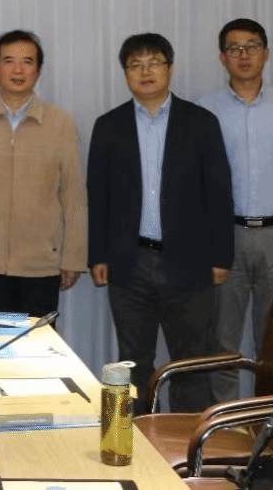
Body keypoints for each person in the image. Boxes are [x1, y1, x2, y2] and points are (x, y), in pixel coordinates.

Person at [87, 33, 233, 413]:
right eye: (135, 65)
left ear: (170, 68)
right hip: (129, 263)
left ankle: (188, 444)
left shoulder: (201, 123)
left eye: (154, 63)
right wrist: (97, 254)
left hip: (190, 262)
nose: (145, 71)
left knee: (190, 363)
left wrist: (222, 257)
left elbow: (219, 193)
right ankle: (128, 439)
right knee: (131, 361)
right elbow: (98, 196)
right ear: (125, 74)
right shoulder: (109, 126)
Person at [198, 19, 273, 402]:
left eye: (252, 46)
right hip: (224, 237)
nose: (244, 55)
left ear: (266, 53)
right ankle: (226, 426)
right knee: (223, 340)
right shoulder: (206, 109)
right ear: (222, 58)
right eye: (234, 48)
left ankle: (272, 424)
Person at [0, 30, 87, 317]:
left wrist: (73, 257)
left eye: (27, 62)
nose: (18, 70)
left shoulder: (60, 123)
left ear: (39, 70)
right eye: (9, 61)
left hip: (41, 265)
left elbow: (73, 195)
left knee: (37, 344)